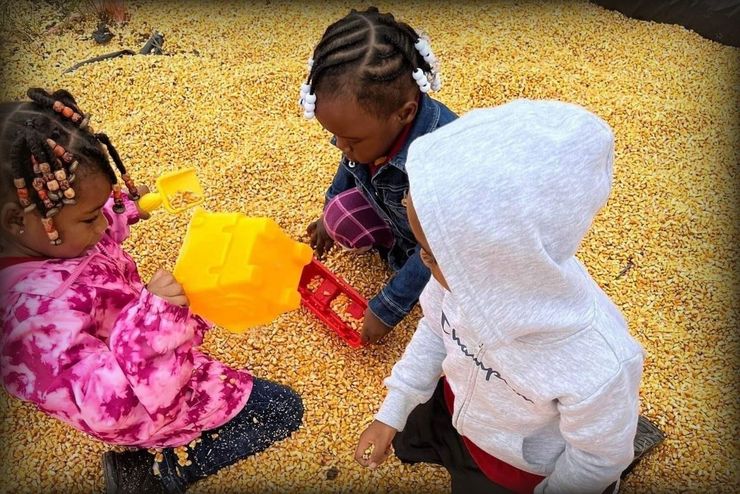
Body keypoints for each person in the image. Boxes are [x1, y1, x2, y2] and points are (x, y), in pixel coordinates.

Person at [0, 88, 303, 494]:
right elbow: (111, 407)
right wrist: (155, 322)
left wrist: (126, 209)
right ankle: (156, 474)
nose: (103, 230)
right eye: (91, 217)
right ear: (17, 220)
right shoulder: (32, 320)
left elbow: (95, 244)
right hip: (143, 401)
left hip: (145, 350)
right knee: (282, 411)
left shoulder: (49, 237)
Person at [354, 100, 664, 493]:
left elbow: (596, 460)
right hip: (456, 410)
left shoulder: (597, 366)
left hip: (518, 470)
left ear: (500, 257)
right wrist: (393, 410)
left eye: (432, 253)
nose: (420, 261)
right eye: (421, 246)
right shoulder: (455, 282)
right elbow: (435, 329)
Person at [300, 6, 457, 344]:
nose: (342, 146)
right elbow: (350, 163)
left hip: (443, 242)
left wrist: (387, 308)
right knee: (339, 217)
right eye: (336, 135)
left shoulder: (440, 164)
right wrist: (327, 214)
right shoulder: (369, 133)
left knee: (453, 286)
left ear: (405, 113)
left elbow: (437, 249)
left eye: (351, 140)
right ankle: (391, 244)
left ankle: (403, 259)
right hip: (397, 215)